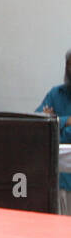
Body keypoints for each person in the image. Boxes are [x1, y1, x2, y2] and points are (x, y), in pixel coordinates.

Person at [35, 49, 71, 214]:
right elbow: (38, 121)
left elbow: (51, 121)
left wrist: (57, 120)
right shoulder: (56, 93)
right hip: (60, 180)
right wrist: (65, 121)